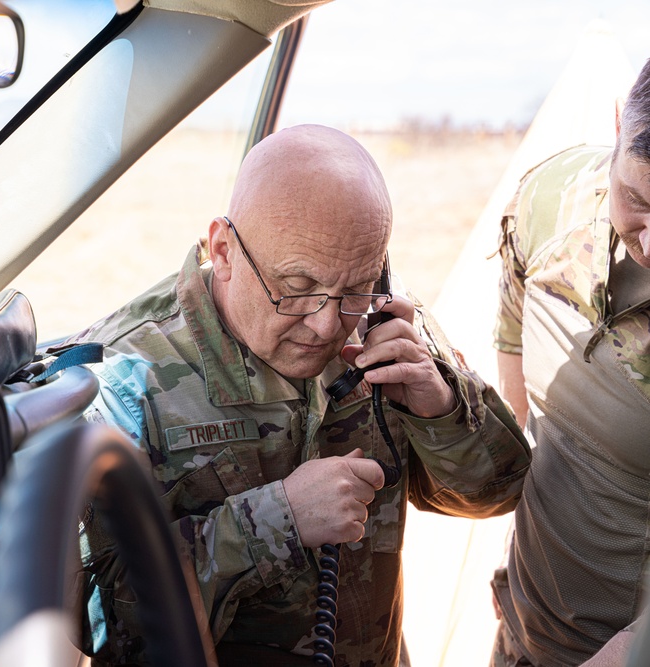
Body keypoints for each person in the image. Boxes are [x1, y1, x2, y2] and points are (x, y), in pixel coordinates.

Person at [63, 124, 530, 666]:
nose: (327, 323)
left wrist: (440, 409)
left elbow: (499, 491)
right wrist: (274, 521)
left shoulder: (383, 318)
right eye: (297, 288)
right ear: (224, 250)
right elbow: (95, 620)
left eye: (354, 287)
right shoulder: (120, 377)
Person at [489, 58, 650, 667]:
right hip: (522, 633)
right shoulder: (550, 199)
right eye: (634, 198)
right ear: (616, 123)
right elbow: (514, 380)